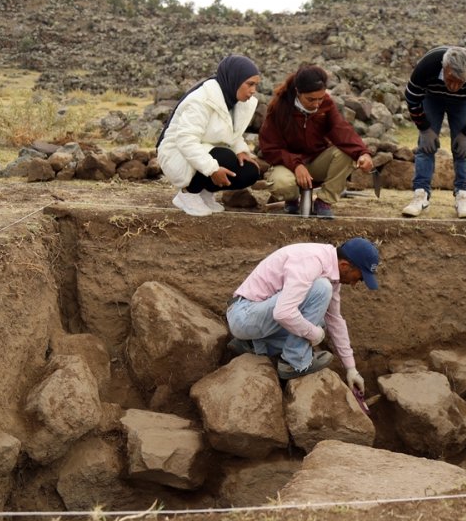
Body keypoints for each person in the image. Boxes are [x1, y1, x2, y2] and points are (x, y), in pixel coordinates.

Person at [225, 237, 378, 390]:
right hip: (244, 315)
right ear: (345, 265)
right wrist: (314, 335)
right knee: (321, 290)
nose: (354, 284)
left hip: (255, 317)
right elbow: (283, 313)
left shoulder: (330, 270)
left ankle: (255, 344)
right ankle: (294, 361)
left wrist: (351, 368)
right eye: (359, 278)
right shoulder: (311, 262)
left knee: (321, 322)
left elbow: (335, 320)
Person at [259, 64, 374, 219]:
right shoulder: (279, 107)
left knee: (346, 154)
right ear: (298, 92)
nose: (316, 104)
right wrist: (296, 164)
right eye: (310, 99)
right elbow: (270, 148)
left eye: (320, 98)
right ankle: (291, 200)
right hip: (287, 166)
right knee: (282, 183)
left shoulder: (326, 103)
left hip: (316, 162)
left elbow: (341, 129)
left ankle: (324, 202)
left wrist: (362, 153)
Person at [157, 54, 263, 217]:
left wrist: (241, 150)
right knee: (225, 158)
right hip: (177, 153)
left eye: (256, 85)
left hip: (205, 151)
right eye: (249, 84)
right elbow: (185, 140)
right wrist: (212, 169)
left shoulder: (235, 102)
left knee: (249, 171)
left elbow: (233, 133)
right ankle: (187, 193)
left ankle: (204, 192)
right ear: (234, 79)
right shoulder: (201, 100)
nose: (253, 90)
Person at [402, 45, 466, 219]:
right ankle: (420, 196)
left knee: (462, 150)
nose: (453, 86)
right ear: (444, 68)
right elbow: (412, 97)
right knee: (425, 147)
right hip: (431, 98)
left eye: (460, 81)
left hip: (463, 102)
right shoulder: (428, 65)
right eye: (450, 78)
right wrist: (424, 128)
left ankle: (463, 196)